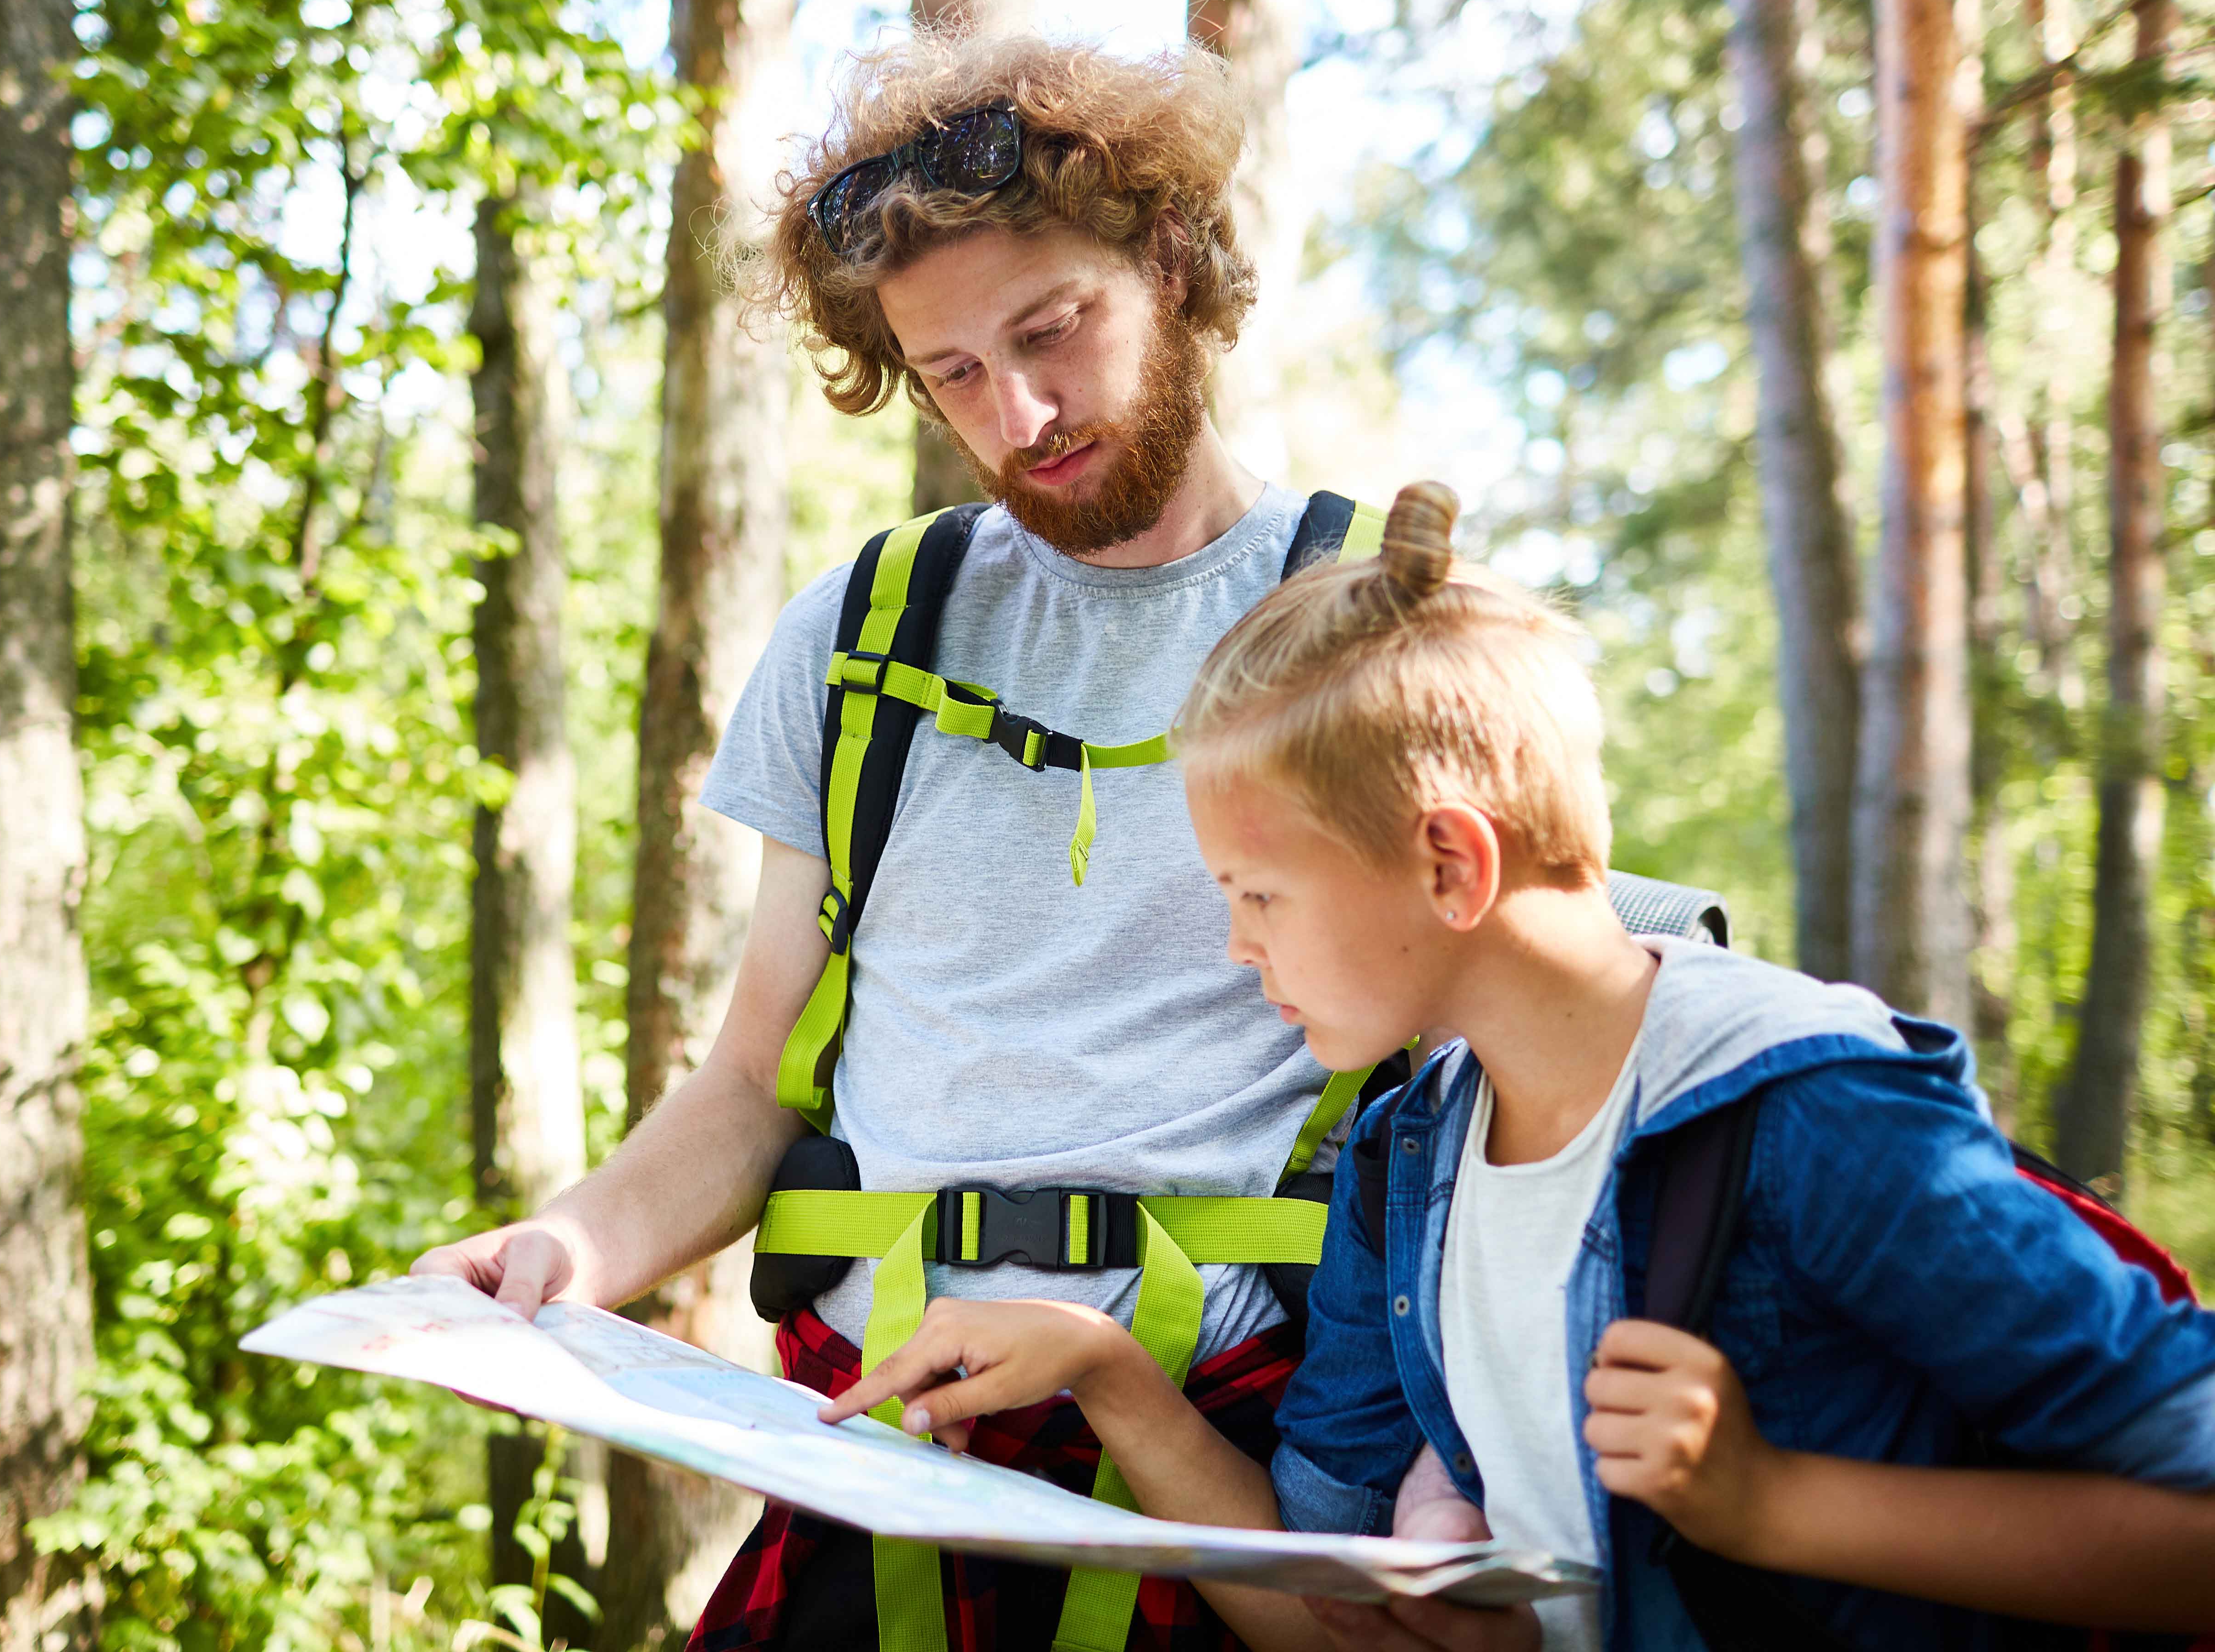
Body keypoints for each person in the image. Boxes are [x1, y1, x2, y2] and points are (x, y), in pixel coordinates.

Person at [413, 30, 1633, 1651]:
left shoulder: (1371, 629)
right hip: (876, 1453)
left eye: (1053, 332)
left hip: (1236, 1470)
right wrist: (567, 1248)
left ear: (1173, 256)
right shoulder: (863, 633)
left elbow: (1527, 1044)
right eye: (953, 374)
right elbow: (751, 1084)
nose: (1022, 412)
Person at [822, 481, 2215, 1652]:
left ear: (1449, 862)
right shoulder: (1408, 1157)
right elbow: (1322, 1613)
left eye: (1259, 895)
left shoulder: (1815, 1116)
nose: (1237, 948)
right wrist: (1108, 1370)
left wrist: (1770, 1503)